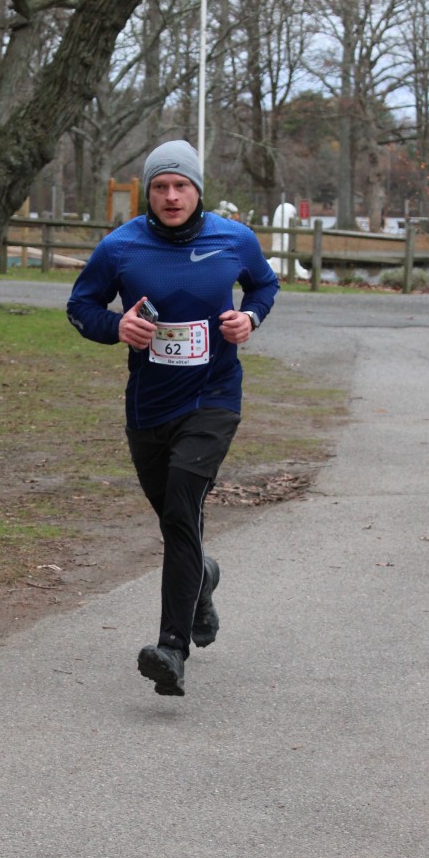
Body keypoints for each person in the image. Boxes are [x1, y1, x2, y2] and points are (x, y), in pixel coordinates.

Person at [67, 139, 279, 696]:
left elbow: (264, 284)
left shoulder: (234, 239)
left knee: (184, 508)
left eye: (181, 185)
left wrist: (250, 318)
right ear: (148, 192)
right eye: (160, 186)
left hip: (213, 398)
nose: (171, 196)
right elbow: (80, 307)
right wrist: (116, 326)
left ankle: (172, 649)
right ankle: (201, 576)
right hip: (149, 406)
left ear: (197, 190)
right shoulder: (120, 246)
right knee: (174, 521)